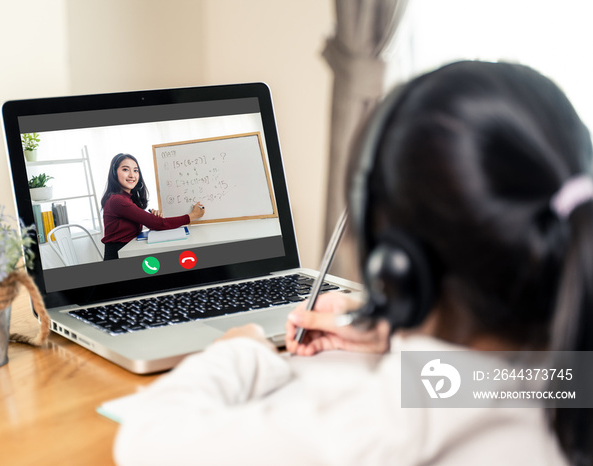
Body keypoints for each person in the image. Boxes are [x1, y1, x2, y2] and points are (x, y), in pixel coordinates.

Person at [110, 61, 593, 465]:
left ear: (398, 267)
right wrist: (391, 333)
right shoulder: (571, 382)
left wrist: (243, 350)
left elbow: (148, 438)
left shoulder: (381, 433)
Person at [101, 153, 205, 260]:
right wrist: (192, 215)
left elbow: (138, 227)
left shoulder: (126, 198)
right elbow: (159, 224)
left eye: (136, 170)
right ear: (114, 173)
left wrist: (152, 221)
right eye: (125, 169)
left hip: (127, 251)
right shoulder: (117, 200)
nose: (132, 175)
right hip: (118, 255)